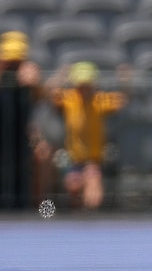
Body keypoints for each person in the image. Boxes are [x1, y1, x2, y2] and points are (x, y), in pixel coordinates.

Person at [48, 61, 128, 210]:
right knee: (73, 184)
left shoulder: (100, 101)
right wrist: (61, 76)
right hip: (74, 160)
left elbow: (122, 100)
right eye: (81, 86)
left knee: (93, 178)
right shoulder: (70, 99)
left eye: (88, 86)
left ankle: (92, 215)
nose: (84, 90)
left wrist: (124, 81)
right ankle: (77, 216)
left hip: (94, 160)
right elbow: (52, 95)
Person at [0, 30, 41, 210]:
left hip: (21, 134)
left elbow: (42, 98)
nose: (13, 66)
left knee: (27, 162)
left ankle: (28, 205)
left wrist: (36, 82)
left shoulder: (30, 75)